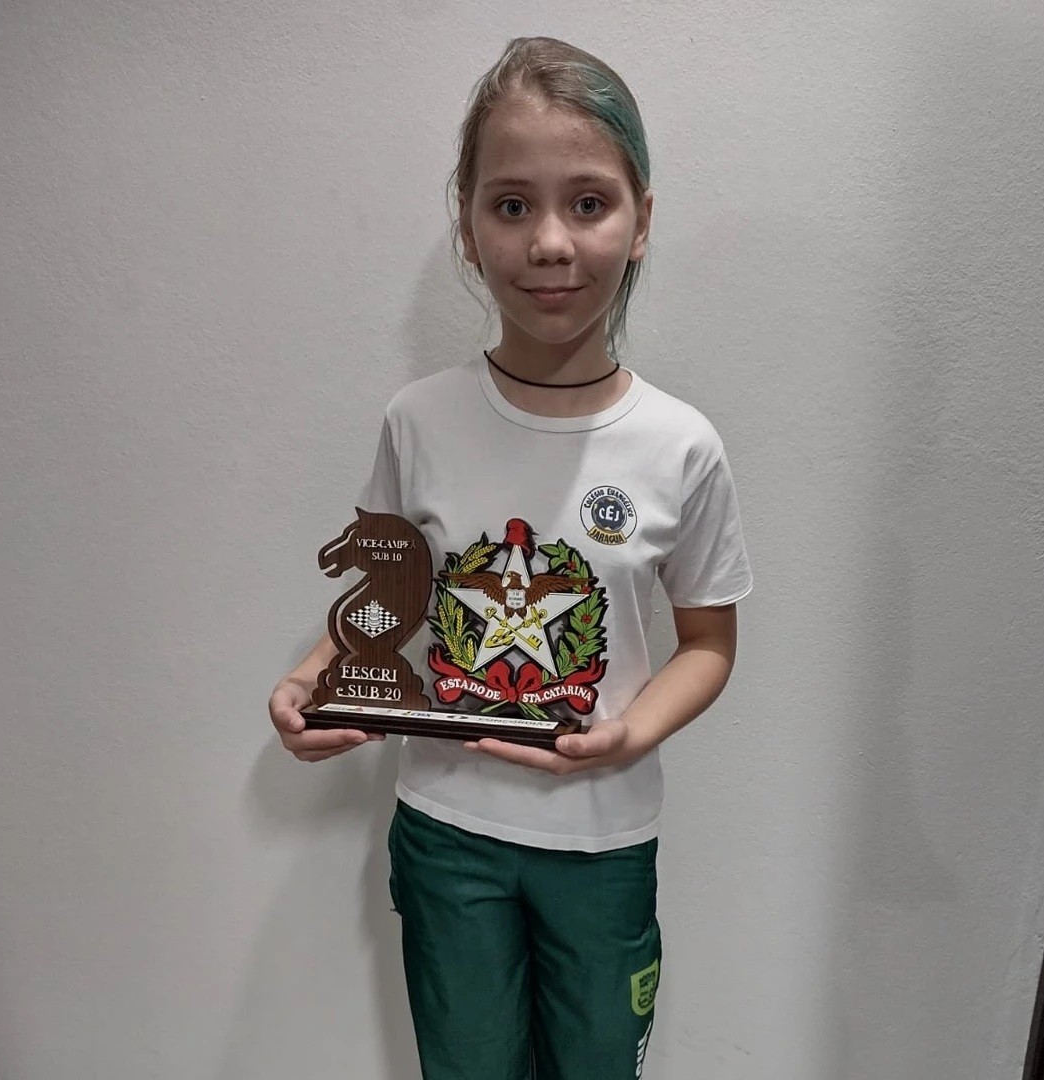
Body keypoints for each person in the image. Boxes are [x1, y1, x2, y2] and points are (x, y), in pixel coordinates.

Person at [268, 35, 753, 1080]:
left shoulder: (682, 445)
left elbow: (709, 644)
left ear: (641, 221)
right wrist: (313, 680)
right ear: (468, 223)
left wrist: (629, 735)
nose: (550, 242)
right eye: (512, 204)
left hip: (603, 841)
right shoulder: (418, 420)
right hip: (448, 832)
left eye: (589, 203)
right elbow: (390, 596)